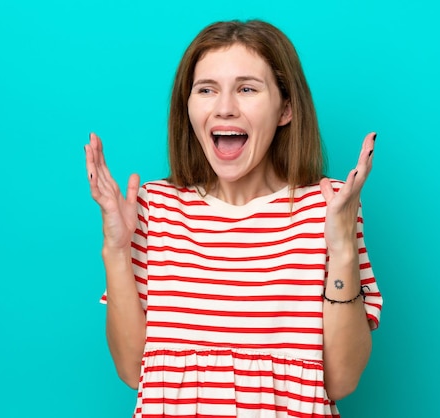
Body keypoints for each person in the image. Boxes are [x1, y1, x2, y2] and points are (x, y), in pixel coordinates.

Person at [84, 19, 382, 418]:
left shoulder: (329, 206)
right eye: (206, 90)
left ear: (286, 108)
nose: (224, 107)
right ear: (187, 107)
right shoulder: (153, 207)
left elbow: (342, 380)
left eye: (246, 89)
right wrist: (117, 251)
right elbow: (133, 371)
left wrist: (342, 247)